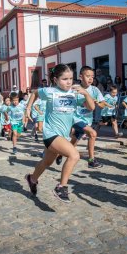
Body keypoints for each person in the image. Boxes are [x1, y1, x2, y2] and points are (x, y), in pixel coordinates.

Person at [24, 64, 95, 203]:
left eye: (71, 78)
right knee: (74, 155)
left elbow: (91, 107)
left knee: (47, 162)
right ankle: (61, 187)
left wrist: (86, 93)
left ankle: (32, 179)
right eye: (64, 79)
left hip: (63, 136)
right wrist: (28, 108)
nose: (69, 82)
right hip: (50, 133)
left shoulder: (75, 92)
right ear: (56, 79)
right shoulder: (50, 91)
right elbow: (35, 93)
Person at [67, 66, 105, 168]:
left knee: (74, 142)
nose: (90, 78)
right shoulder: (74, 89)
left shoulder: (95, 90)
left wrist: (97, 103)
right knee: (93, 134)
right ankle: (91, 160)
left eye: (92, 76)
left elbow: (102, 104)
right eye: (88, 76)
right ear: (80, 77)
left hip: (87, 120)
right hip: (76, 118)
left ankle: (61, 154)